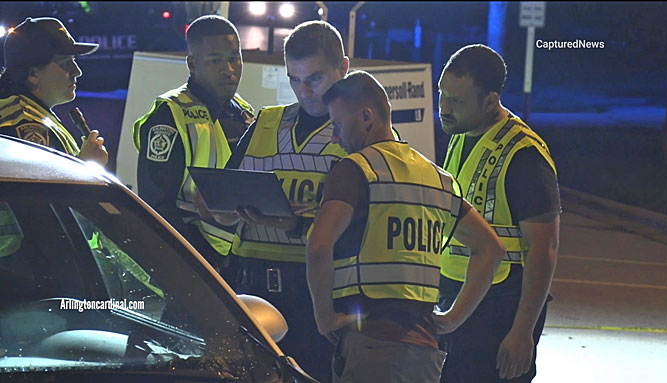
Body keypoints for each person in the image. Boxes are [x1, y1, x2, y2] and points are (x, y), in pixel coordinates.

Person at [307, 70, 505, 383]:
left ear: (367, 117)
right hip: (424, 350)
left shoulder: (355, 170)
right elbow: (491, 249)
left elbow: (318, 246)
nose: (334, 136)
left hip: (373, 346)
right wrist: (452, 319)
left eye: (337, 124)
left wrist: (324, 318)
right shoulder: (438, 178)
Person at [223, 20, 349, 382]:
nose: (304, 91)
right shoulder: (265, 121)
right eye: (294, 79)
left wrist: (298, 226)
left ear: (343, 68)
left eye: (314, 79)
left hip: (318, 298)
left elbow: (366, 225)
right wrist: (214, 207)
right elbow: (227, 189)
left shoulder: (359, 131)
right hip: (252, 288)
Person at [436, 44, 561, 382]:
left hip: (499, 312)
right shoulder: (462, 135)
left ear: (491, 101)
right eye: (442, 95)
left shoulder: (524, 155)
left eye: (457, 101)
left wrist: (522, 333)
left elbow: (544, 248)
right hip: (460, 303)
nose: (444, 108)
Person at [132, 15, 254, 274]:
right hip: (195, 260)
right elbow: (158, 205)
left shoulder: (244, 112)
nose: (229, 69)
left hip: (241, 257)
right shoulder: (169, 115)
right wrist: (197, 264)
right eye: (215, 60)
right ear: (192, 63)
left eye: (234, 58)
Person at [0, 17, 108, 166]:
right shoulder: (26, 125)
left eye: (74, 60)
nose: (77, 71)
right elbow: (39, 188)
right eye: (65, 62)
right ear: (33, 74)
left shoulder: (22, 111)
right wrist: (87, 166)